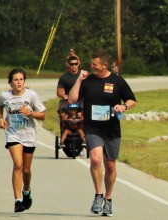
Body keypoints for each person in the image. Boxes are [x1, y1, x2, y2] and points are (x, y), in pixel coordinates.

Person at [68, 50, 137, 216]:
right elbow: (71, 99)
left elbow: (132, 100)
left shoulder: (117, 81)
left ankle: (108, 198)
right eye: (91, 63)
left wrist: (124, 106)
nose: (91, 67)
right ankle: (98, 195)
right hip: (92, 128)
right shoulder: (87, 81)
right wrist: (78, 80)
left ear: (105, 65)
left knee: (111, 166)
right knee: (96, 160)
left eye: (95, 64)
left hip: (112, 129)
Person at [0, 68, 46, 213]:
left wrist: (30, 113)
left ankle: (26, 190)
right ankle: (18, 200)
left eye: (21, 79)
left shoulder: (31, 95)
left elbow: (42, 115)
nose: (19, 82)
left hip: (29, 135)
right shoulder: (5, 95)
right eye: (16, 80)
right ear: (10, 82)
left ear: (24, 81)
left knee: (26, 169)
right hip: (13, 134)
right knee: (18, 164)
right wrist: (0, 118)